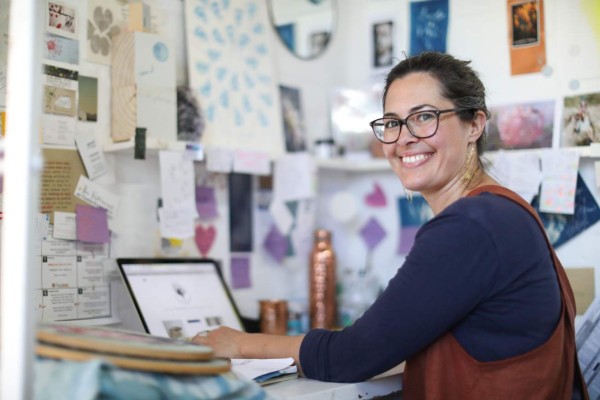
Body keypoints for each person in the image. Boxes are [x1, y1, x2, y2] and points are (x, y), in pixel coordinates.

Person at [192, 52, 588, 399]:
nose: (404, 139)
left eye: (424, 117)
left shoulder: (473, 224)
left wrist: (238, 343)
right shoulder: (506, 211)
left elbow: (350, 357)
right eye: (393, 123)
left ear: (475, 125)